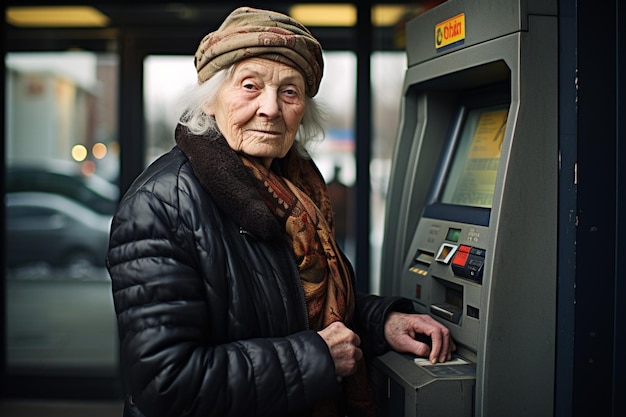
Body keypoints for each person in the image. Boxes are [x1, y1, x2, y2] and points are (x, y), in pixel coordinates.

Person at [107, 6, 455, 417]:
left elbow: (291, 302)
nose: (271, 108)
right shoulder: (162, 203)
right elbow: (164, 382)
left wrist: (381, 322)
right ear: (210, 101)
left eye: (289, 92)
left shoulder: (296, 186)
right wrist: (315, 359)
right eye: (251, 86)